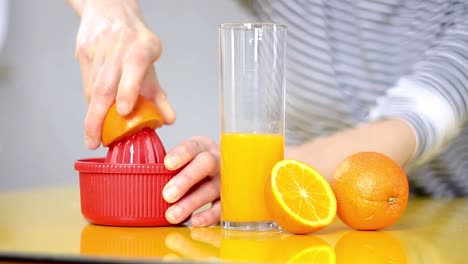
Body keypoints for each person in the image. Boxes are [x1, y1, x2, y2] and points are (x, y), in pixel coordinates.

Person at [67, 0, 468, 228]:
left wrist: (259, 176)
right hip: (293, 227)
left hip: (445, 222)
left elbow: (420, 118)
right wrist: (109, 13)